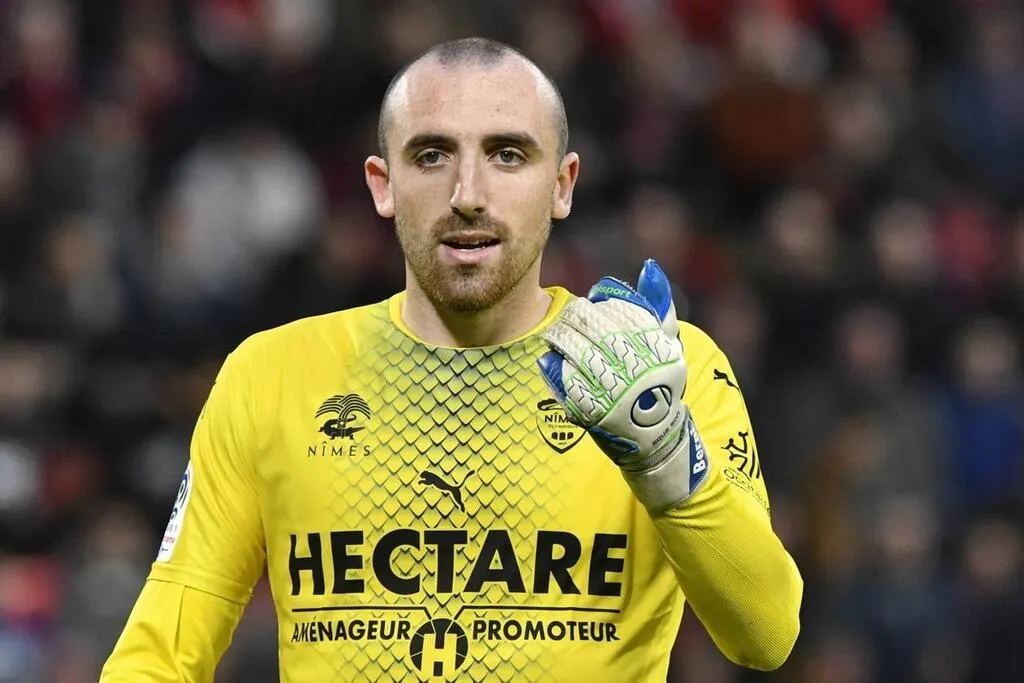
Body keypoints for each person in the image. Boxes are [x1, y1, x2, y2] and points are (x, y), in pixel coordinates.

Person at [100, 37, 802, 682]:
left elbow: (766, 633)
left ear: (562, 185)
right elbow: (157, 657)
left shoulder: (660, 368)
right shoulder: (272, 374)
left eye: (508, 155)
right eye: (432, 155)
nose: (468, 196)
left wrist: (666, 456)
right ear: (382, 184)